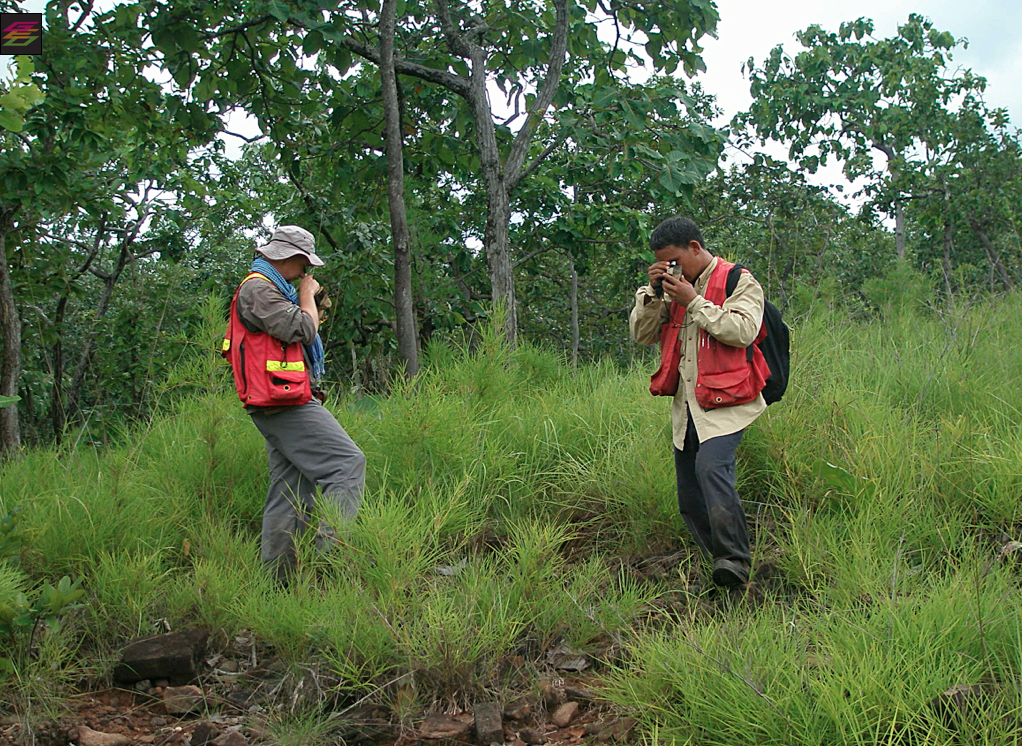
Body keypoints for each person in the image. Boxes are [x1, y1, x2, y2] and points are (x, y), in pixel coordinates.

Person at [222, 225, 366, 583]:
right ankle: (330, 569)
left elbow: (298, 330)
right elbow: (302, 329)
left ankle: (278, 586)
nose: (307, 273)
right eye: (304, 265)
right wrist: (306, 296)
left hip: (280, 400)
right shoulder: (258, 289)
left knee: (290, 490)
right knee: (347, 465)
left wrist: (307, 302)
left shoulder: (271, 290)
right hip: (283, 402)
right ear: (288, 257)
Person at [629, 216, 766, 588]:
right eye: (663, 264)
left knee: (711, 469)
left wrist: (694, 302)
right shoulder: (669, 291)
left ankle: (736, 560)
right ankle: (724, 571)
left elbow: (742, 331)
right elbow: (642, 336)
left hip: (729, 402)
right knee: (689, 497)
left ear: (694, 247)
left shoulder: (739, 280)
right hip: (688, 405)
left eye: (675, 261)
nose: (673, 270)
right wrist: (654, 294)